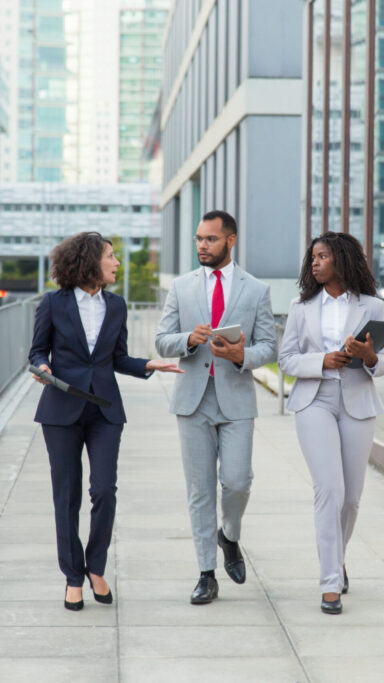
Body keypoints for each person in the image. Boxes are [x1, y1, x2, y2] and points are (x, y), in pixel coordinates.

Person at [30, 231, 181, 611]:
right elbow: (36, 352)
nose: (116, 263)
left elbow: (117, 358)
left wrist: (150, 364)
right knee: (67, 496)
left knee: (104, 490)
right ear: (89, 262)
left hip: (104, 411)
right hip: (61, 409)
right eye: (110, 257)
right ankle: (72, 577)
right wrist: (42, 367)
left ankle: (96, 566)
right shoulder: (53, 303)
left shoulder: (116, 305)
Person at [155, 210, 277, 604]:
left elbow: (269, 348)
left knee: (238, 482)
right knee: (200, 490)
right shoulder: (181, 287)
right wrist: (188, 339)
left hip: (237, 398)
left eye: (210, 239)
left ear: (231, 240)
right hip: (192, 400)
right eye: (198, 239)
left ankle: (230, 535)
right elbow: (162, 340)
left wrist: (243, 355)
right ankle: (206, 572)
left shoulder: (256, 290)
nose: (202, 246)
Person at [278, 232, 384, 615]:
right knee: (329, 489)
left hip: (358, 400)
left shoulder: (373, 306)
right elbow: (287, 359)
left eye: (322, 256)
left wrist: (369, 356)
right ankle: (330, 583)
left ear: (341, 260)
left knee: (353, 496)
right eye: (312, 257)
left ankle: (337, 557)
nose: (314, 263)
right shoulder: (301, 306)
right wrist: (322, 361)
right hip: (315, 400)